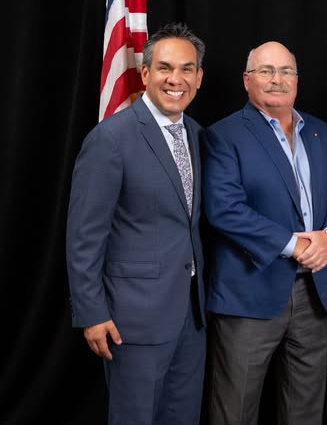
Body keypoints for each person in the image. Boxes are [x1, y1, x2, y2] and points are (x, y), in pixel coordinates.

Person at [202, 41, 327, 425]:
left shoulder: (323, 132)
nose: (277, 80)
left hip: (315, 292)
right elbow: (224, 209)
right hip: (249, 294)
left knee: (305, 411)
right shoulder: (224, 135)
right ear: (247, 81)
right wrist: (296, 244)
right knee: (234, 411)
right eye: (266, 71)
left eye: (286, 71)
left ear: (297, 80)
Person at [66, 22, 207, 424]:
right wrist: (91, 312)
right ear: (145, 74)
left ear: (199, 77)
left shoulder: (197, 135)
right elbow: (84, 236)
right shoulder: (111, 139)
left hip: (190, 316)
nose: (175, 79)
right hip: (133, 319)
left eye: (186, 69)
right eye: (164, 68)